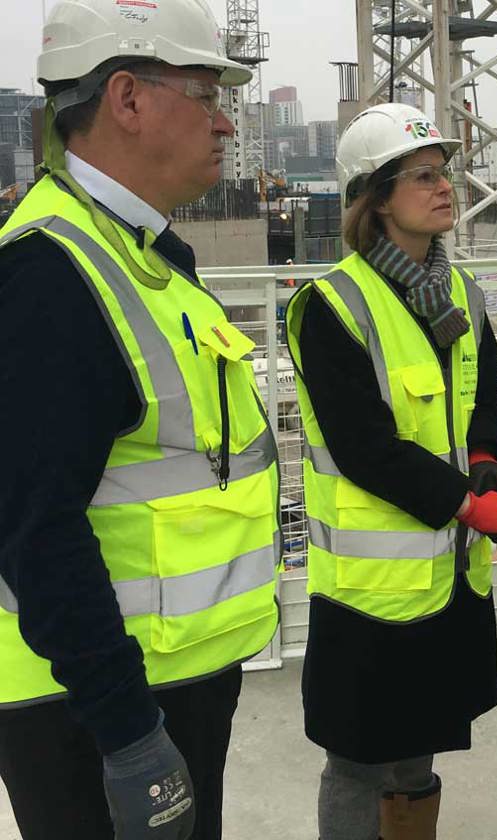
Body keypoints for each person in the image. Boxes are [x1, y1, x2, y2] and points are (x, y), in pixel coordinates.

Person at [0, 1, 281, 838]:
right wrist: (128, 735)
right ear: (126, 98)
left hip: (169, 680)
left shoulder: (144, 251)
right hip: (94, 708)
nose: (225, 120)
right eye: (205, 93)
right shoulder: (51, 275)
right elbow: (33, 530)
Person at [285, 102, 497, 840]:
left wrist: (487, 467)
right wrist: (462, 502)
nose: (444, 186)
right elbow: (364, 447)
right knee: (355, 760)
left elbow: (482, 402)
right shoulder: (330, 306)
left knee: (420, 745)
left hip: (446, 573)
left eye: (443, 172)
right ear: (376, 196)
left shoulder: (461, 292)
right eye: (422, 175)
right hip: (370, 586)